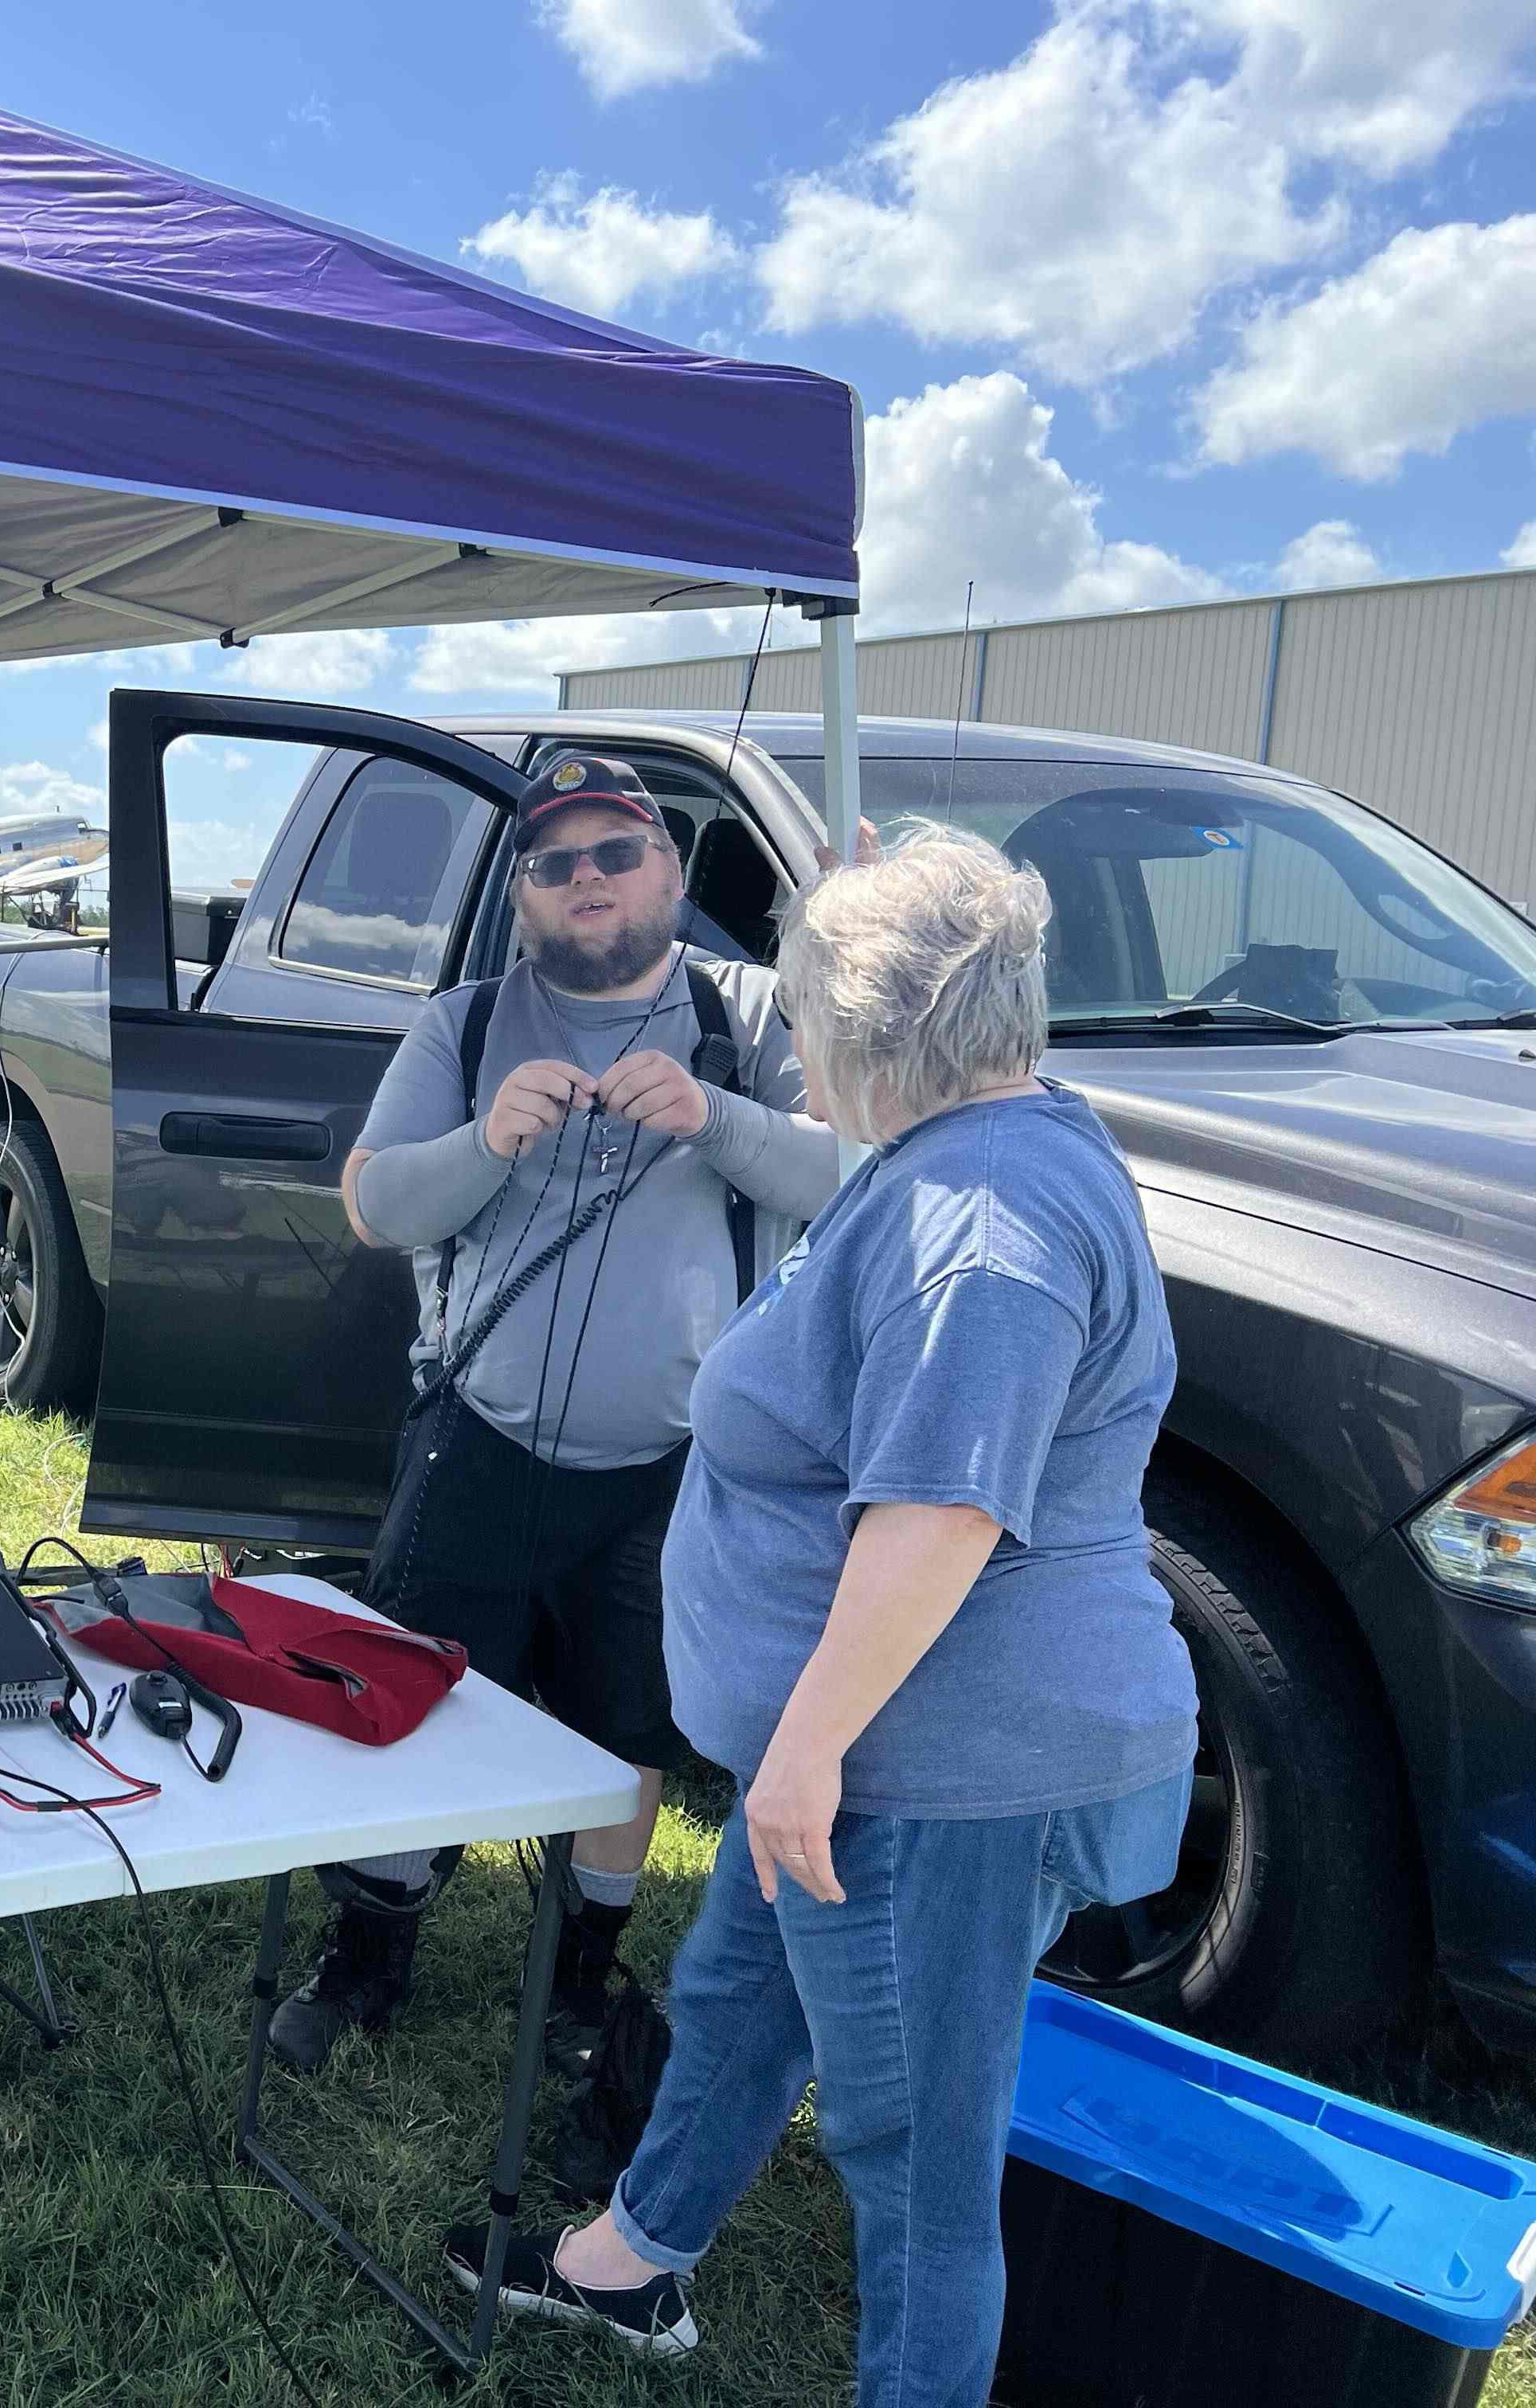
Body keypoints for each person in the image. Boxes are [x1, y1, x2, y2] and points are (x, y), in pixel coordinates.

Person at [454, 825, 1198, 2406]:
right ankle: (630, 2265)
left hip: (936, 1773)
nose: (793, 1041)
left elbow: (945, 1512)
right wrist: (874, 904)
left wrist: (804, 1752)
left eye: (808, 1011)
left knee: (916, 2154)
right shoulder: (977, 1143)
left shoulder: (979, 1227)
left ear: (872, 1032)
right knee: (734, 1991)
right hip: (867, 1758)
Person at [282, 756, 842, 2072]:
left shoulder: (753, 1013)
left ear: (670, 870)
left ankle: (583, 1973)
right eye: (554, 863)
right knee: (407, 1702)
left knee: (625, 1733)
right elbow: (373, 1207)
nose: (586, 880)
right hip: (478, 1435)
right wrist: (485, 1143)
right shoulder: (466, 1026)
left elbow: (850, 1175)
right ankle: (370, 1951)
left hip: (674, 1465)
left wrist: (716, 1118)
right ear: (522, 895)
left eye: (616, 852)